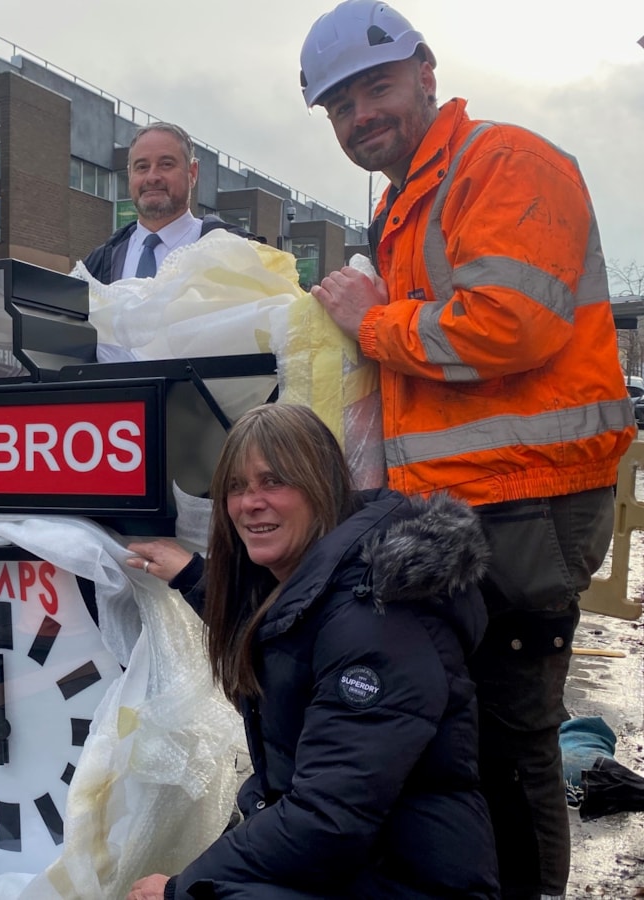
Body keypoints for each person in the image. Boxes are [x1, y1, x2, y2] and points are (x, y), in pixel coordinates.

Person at [297, 3, 636, 898]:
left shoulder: (502, 163)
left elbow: (509, 323)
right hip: (465, 511)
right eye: (340, 105)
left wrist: (370, 325)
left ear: (426, 73)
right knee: (467, 730)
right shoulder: (409, 204)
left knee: (515, 739)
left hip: (525, 505)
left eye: (376, 87)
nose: (361, 114)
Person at [127, 403, 499, 899]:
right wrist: (194, 576)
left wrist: (178, 889)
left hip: (408, 882)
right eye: (236, 486)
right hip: (365, 864)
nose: (249, 503)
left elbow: (328, 818)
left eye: (273, 482)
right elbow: (280, 630)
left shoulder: (375, 623)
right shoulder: (317, 584)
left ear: (321, 485)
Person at [82, 122, 259, 283]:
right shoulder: (95, 266)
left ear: (193, 173)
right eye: (142, 167)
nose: (152, 177)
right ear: (130, 174)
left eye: (166, 164)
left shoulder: (237, 254)